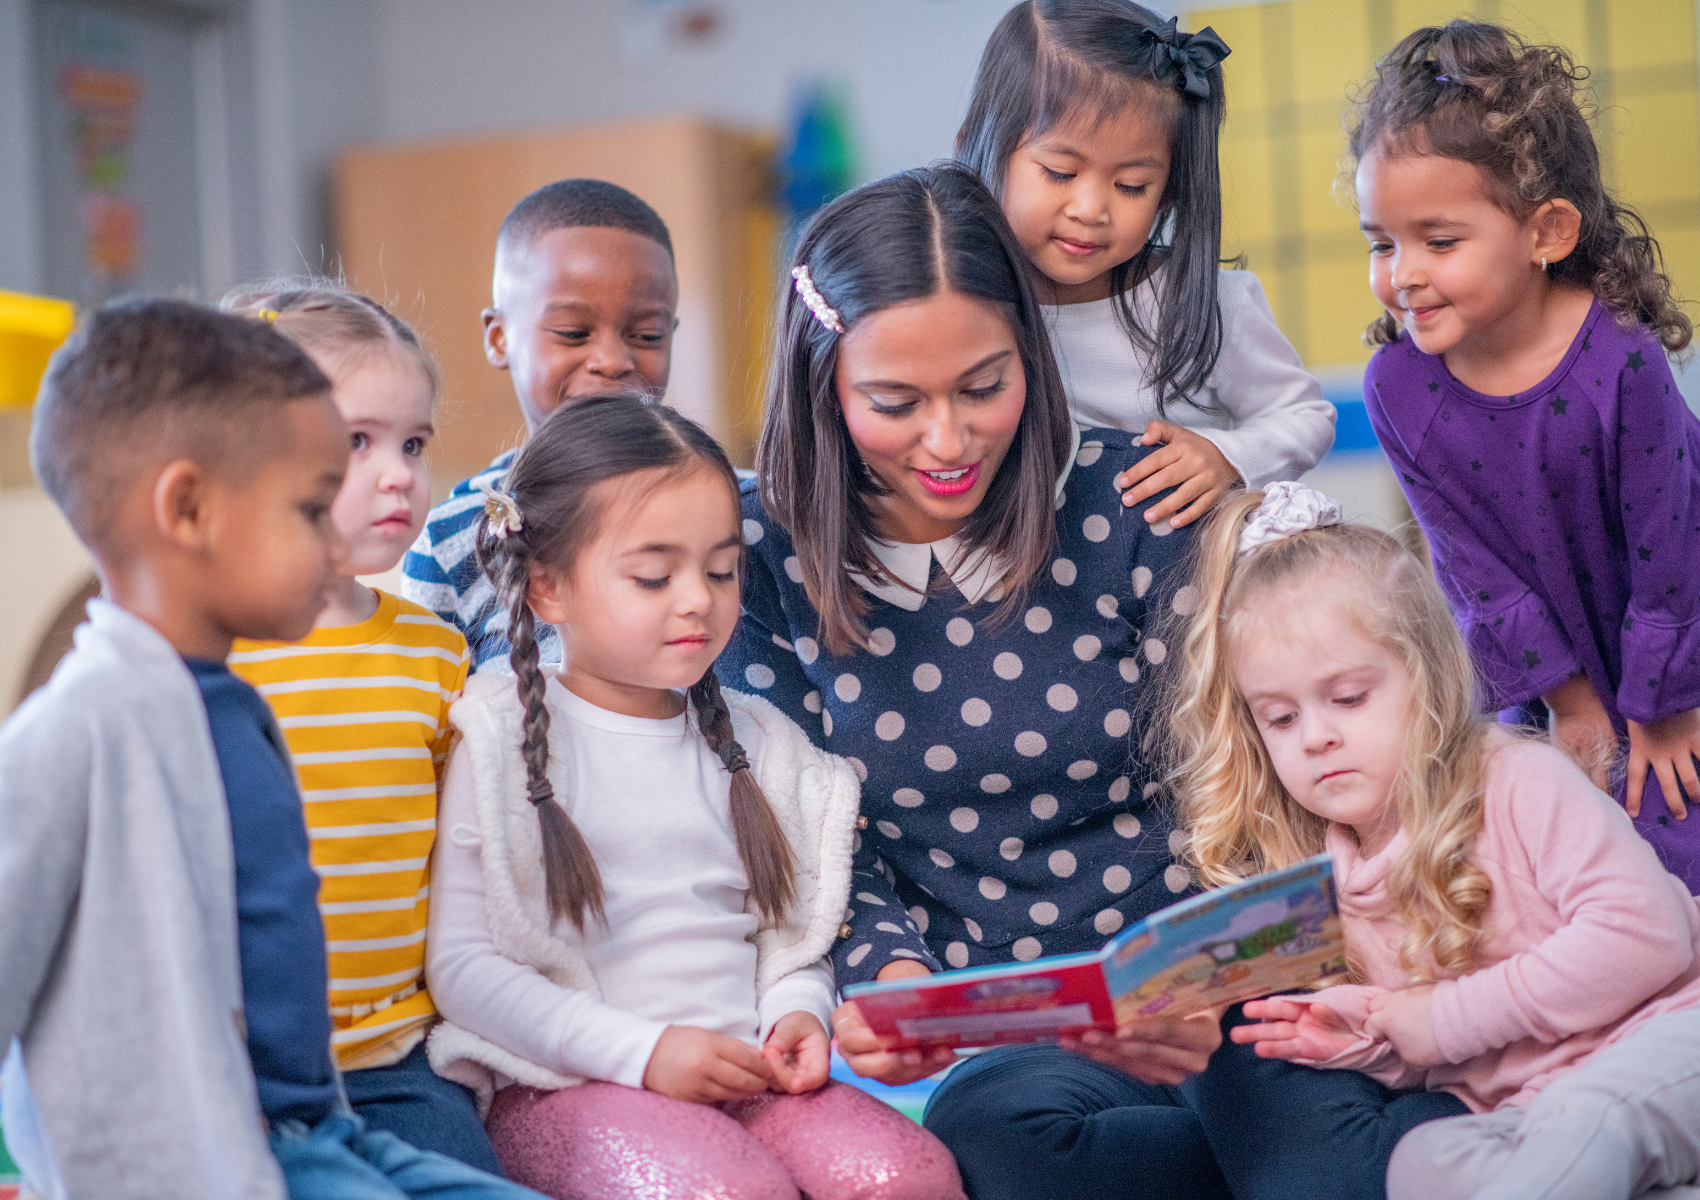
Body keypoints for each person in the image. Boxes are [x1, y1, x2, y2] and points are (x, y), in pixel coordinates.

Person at [720, 162, 1440, 1200]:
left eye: (984, 386)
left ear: (1031, 355)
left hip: (1211, 986)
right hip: (1010, 1034)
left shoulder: (1130, 497)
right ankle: (1387, 1139)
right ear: (822, 386)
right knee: (1006, 1141)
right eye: (893, 401)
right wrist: (898, 986)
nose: (948, 440)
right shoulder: (757, 554)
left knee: (1301, 1137)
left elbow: (1229, 779)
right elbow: (810, 830)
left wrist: (1205, 982)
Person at [1, 299, 542, 1200]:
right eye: (308, 508)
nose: (334, 534)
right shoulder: (77, 726)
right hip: (203, 1157)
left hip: (320, 1120)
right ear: (190, 510)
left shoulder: (228, 702)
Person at [422, 394, 963, 1200]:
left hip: (748, 1080)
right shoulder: (496, 739)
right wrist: (641, 1053)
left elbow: (790, 939)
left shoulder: (762, 746)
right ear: (547, 588)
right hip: (567, 1087)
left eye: (719, 570)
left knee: (905, 1176)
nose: (697, 600)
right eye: (653, 575)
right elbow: (462, 969)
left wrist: (798, 1014)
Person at [1171, 483, 1700, 1200]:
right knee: (1421, 1162)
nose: (1318, 735)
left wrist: (1436, 1022)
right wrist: (1370, 1037)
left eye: (1348, 698)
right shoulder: (1330, 881)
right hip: (1530, 1106)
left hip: (1665, 1037)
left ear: (1428, 679)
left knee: (1592, 1121)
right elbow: (1434, 1053)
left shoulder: (1518, 778)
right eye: (1281, 718)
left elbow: (1648, 937)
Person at [1351, 21, 1700, 886]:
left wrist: (1662, 706)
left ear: (1545, 231)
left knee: (1673, 837)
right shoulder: (1397, 389)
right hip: (1542, 670)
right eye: (1381, 242)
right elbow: (1477, 576)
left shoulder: (1621, 358)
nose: (1403, 274)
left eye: (1438, 241)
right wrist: (1571, 708)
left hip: (1674, 647)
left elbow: (1673, 548)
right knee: (1545, 868)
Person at [222, 283, 498, 1174]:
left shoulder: (435, 652)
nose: (400, 476)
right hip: (239, 1069)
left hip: (395, 1061)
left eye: (414, 444)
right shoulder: (212, 652)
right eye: (358, 442)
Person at [956, 0, 1335, 530]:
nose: (1091, 210)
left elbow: (1305, 415)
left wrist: (1228, 456)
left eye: (1131, 185)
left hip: (1191, 586)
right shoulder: (962, 305)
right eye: (1061, 172)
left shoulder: (1207, 303)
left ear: (1169, 194)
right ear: (977, 147)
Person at [401, 179, 679, 671]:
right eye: (574, 334)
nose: (613, 360)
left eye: (647, 334)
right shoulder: (453, 541)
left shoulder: (744, 511)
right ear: (500, 337)